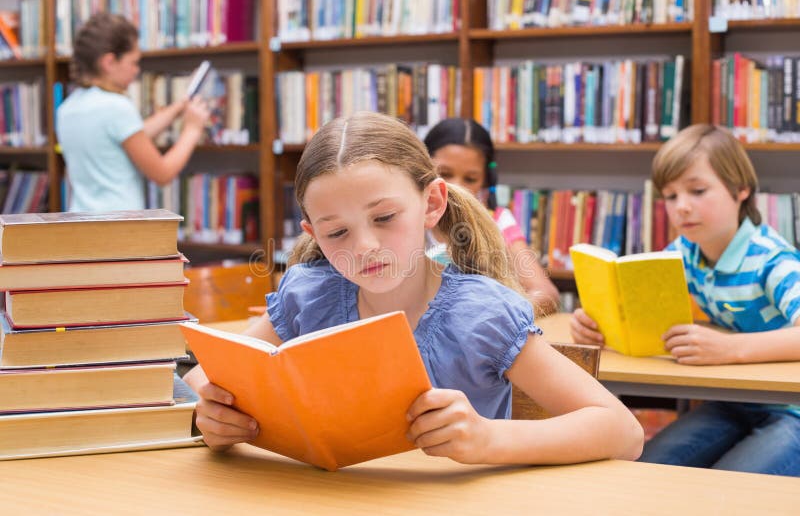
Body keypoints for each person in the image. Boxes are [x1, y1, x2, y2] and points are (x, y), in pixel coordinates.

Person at [184, 111, 643, 466]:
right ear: (311, 231)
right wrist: (211, 414)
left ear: (432, 203)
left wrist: (487, 437)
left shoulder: (481, 314)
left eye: (384, 218)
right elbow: (202, 378)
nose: (364, 247)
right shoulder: (310, 296)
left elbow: (622, 431)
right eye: (337, 232)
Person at [570, 124, 800, 477]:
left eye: (697, 191)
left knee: (729, 492)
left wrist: (729, 349)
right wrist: (595, 323)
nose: (682, 208)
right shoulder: (683, 252)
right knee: (649, 469)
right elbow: (642, 310)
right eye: (671, 196)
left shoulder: (772, 260)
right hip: (734, 402)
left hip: (793, 411)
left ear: (741, 189)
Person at [56, 12, 210, 212]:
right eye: (133, 62)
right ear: (109, 62)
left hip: (81, 223)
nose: (137, 70)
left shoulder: (68, 108)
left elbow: (128, 138)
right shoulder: (117, 107)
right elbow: (162, 174)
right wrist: (192, 130)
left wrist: (178, 108)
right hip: (120, 227)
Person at [423, 118, 559, 315]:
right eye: (444, 173)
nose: (457, 187)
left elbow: (546, 294)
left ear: (487, 180)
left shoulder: (498, 220)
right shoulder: (409, 219)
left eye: (470, 179)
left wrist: (495, 315)